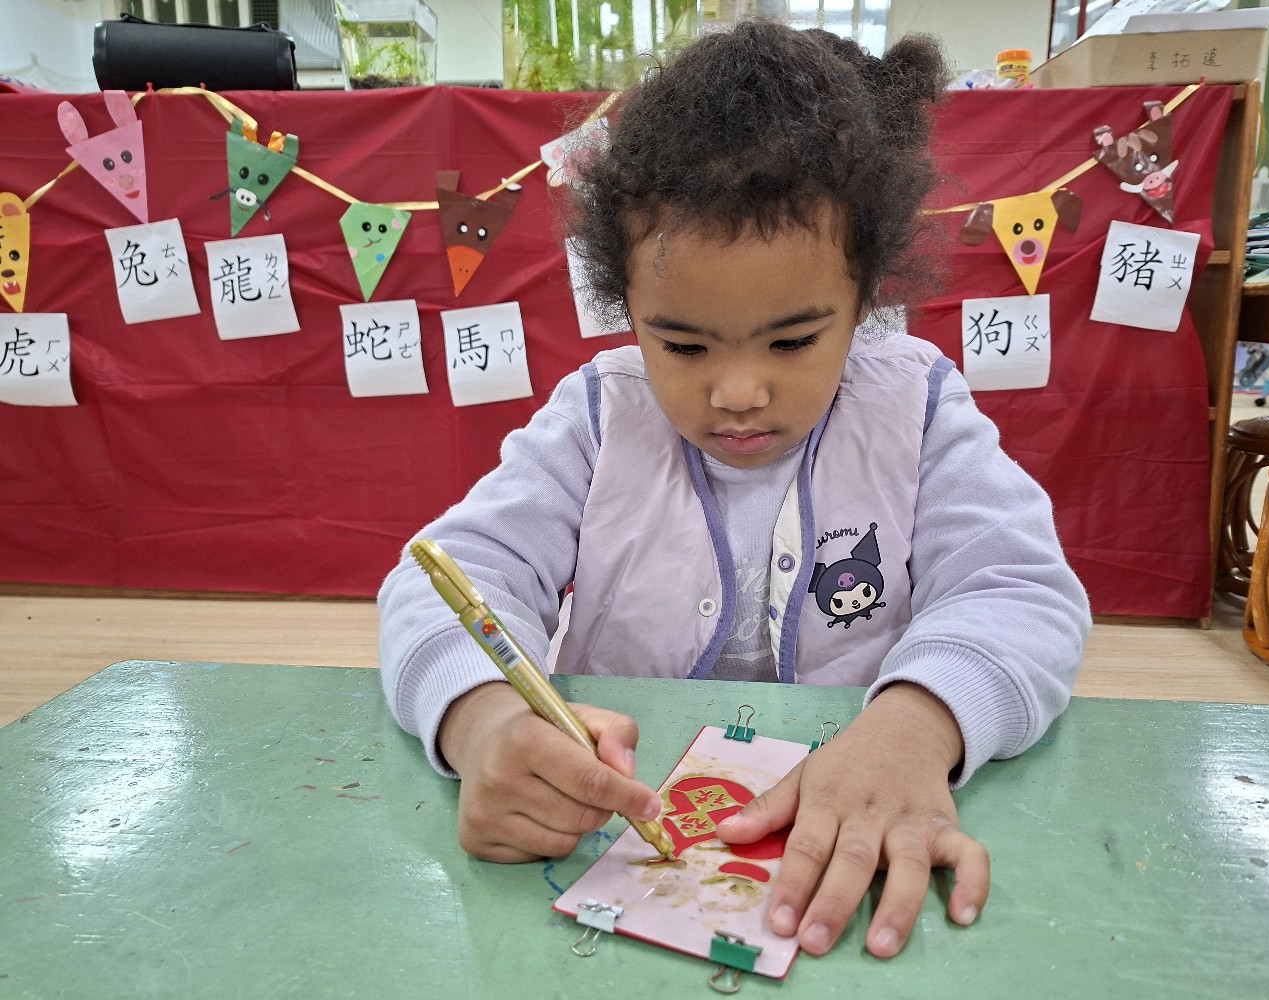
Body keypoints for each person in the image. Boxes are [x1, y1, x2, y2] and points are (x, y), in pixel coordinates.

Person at [378, 20, 1090, 961]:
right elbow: (446, 579)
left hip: (859, 834)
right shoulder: (598, 414)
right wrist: (482, 721)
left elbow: (1018, 589)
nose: (739, 392)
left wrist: (919, 726)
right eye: (681, 344)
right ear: (625, 304)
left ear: (864, 297)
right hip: (613, 856)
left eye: (793, 340)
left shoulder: (914, 406)